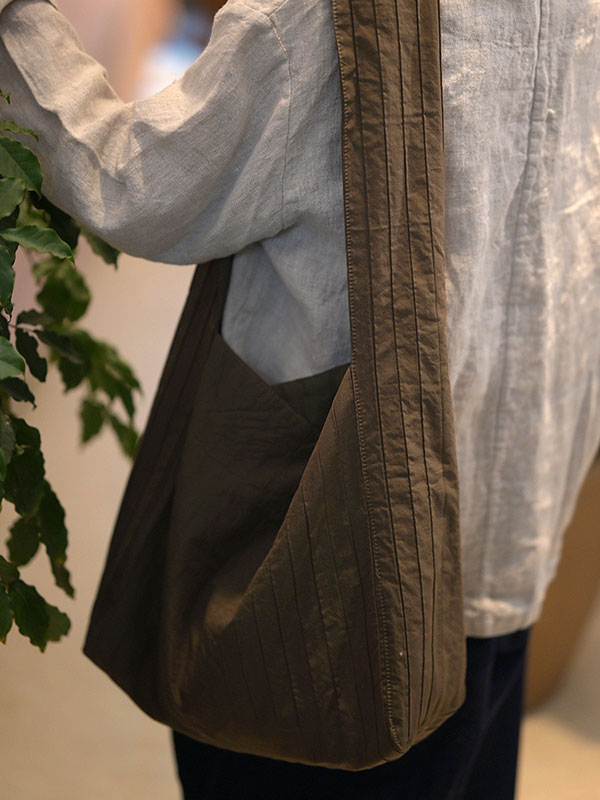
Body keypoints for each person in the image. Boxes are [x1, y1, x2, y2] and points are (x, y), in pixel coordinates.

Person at [1, 0, 599, 797]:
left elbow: (139, 187)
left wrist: (19, 27)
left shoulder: (327, 19)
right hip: (513, 533)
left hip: (331, 566)